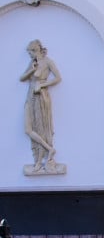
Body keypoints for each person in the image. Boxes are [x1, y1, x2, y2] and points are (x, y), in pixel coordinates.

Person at [20, 39, 62, 171]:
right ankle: (50, 149)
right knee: (28, 129)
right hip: (30, 95)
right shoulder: (33, 63)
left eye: (30, 52)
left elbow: (58, 78)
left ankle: (39, 162)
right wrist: (31, 70)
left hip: (41, 96)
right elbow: (22, 78)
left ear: (36, 50)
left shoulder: (48, 61)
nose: (29, 55)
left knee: (40, 128)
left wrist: (43, 84)